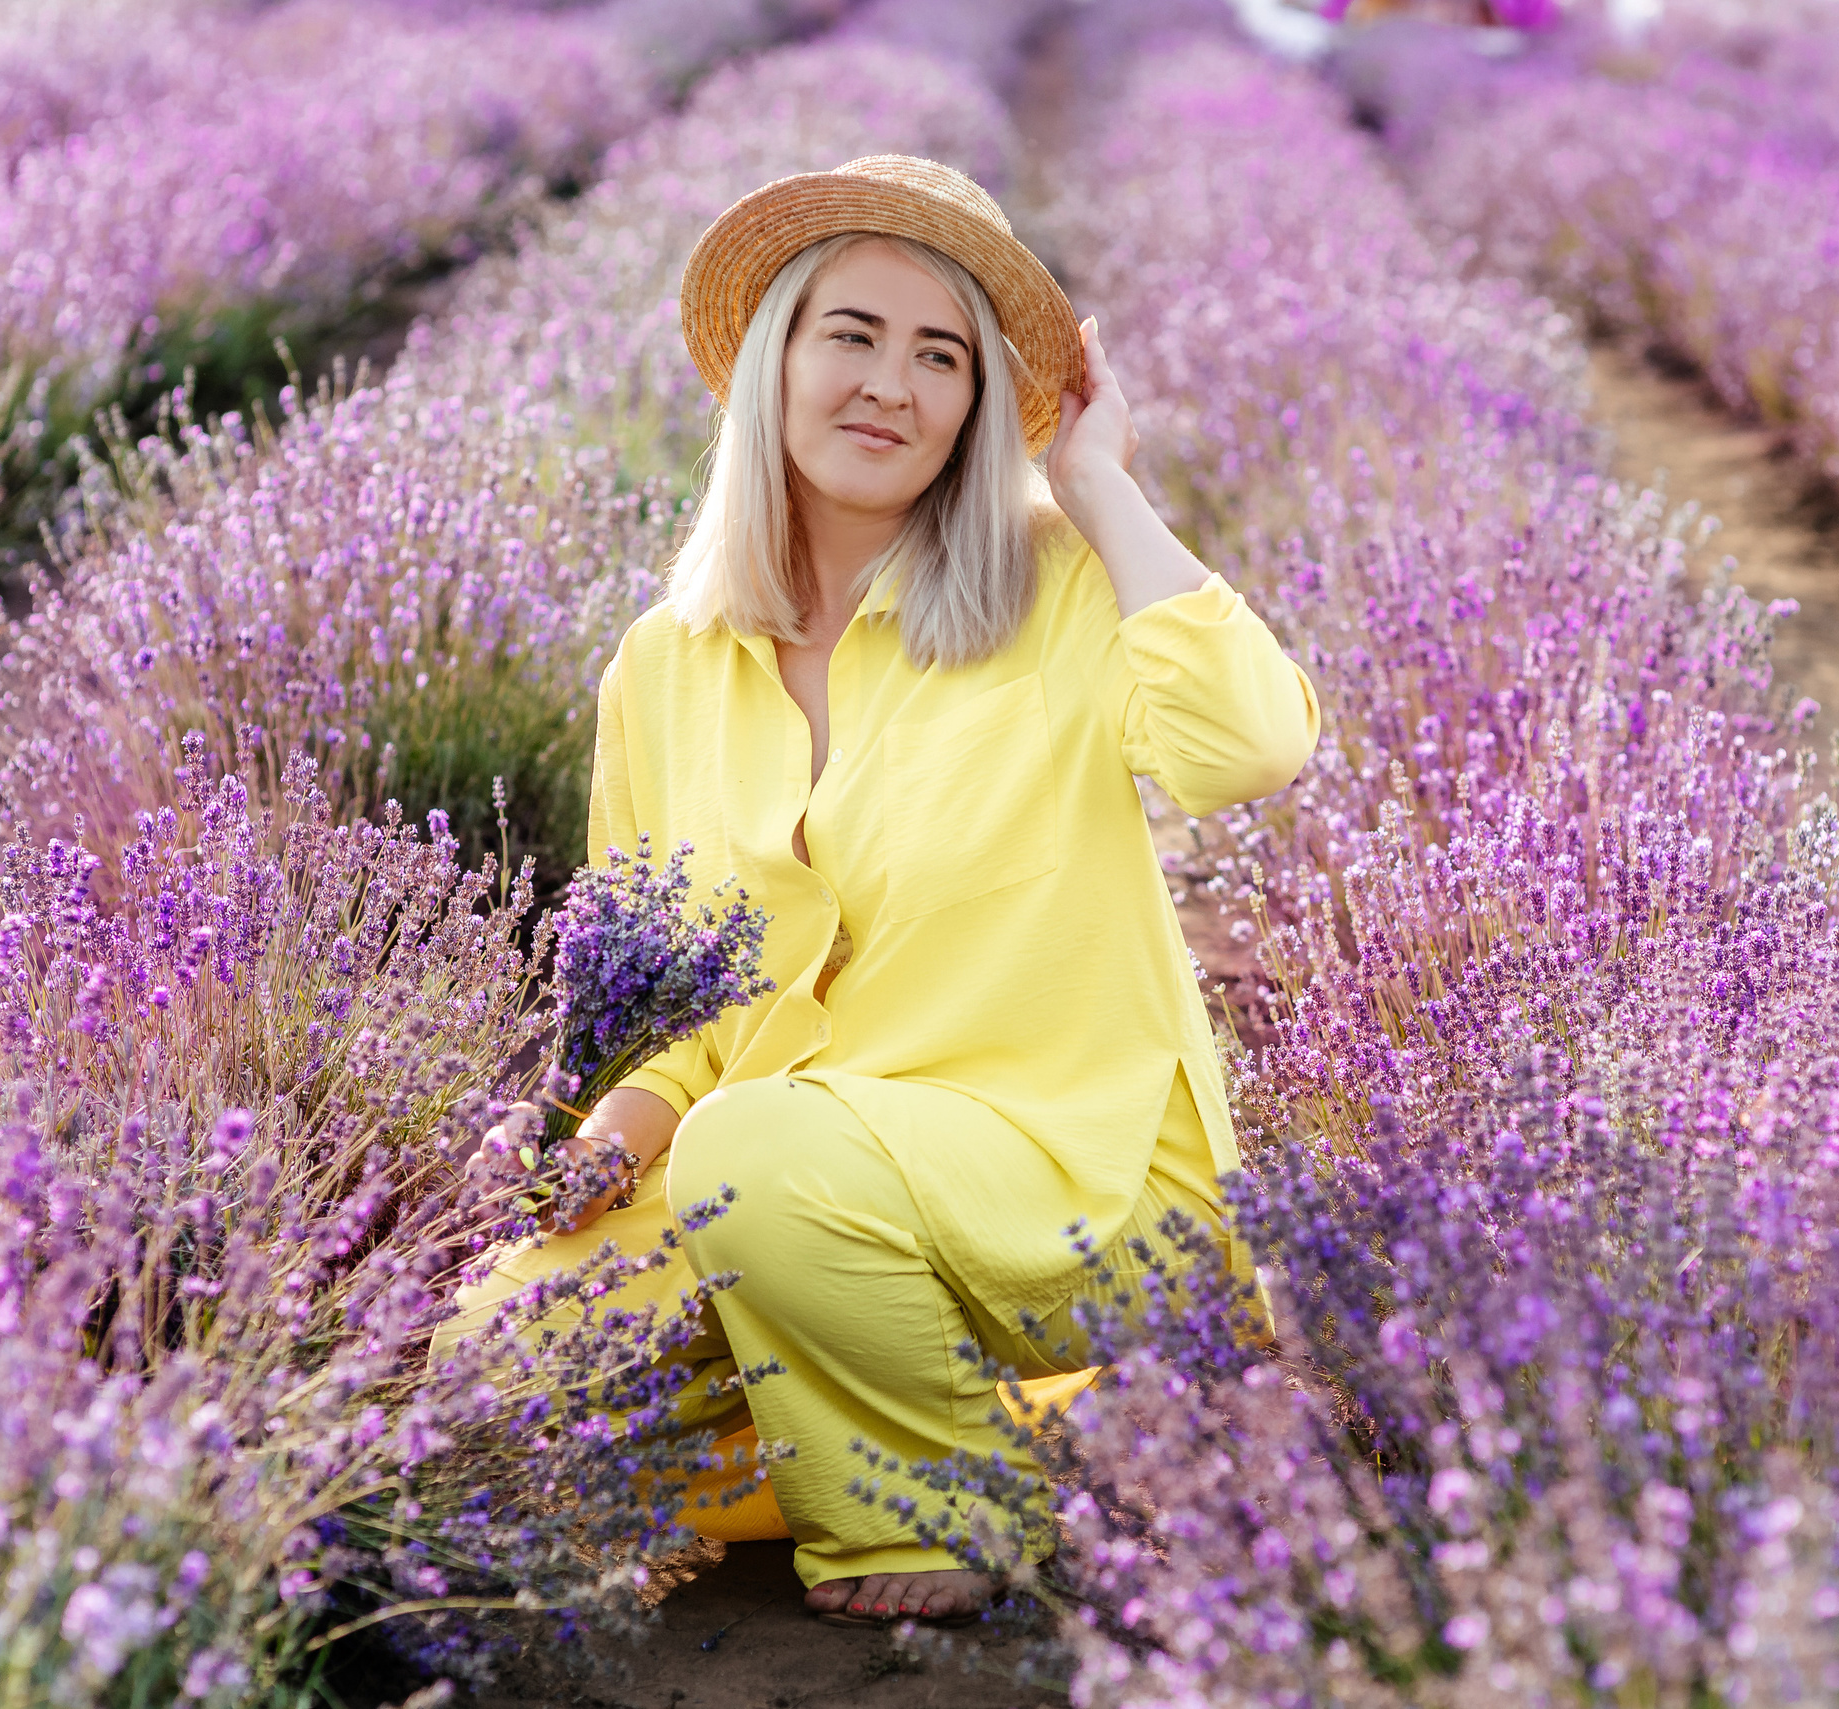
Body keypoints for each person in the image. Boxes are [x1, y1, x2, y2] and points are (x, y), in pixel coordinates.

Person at [435, 155, 1318, 1628]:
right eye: (851, 333)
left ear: (979, 408)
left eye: (942, 356)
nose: (890, 386)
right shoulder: (663, 665)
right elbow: (678, 1012)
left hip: (1075, 1194)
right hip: (777, 1182)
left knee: (762, 1152)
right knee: (491, 1375)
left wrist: (1101, 485)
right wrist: (607, 1139)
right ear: (773, 358)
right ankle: (1051, 1438)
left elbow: (1252, 747)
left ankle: (933, 1511)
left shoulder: (1058, 586)